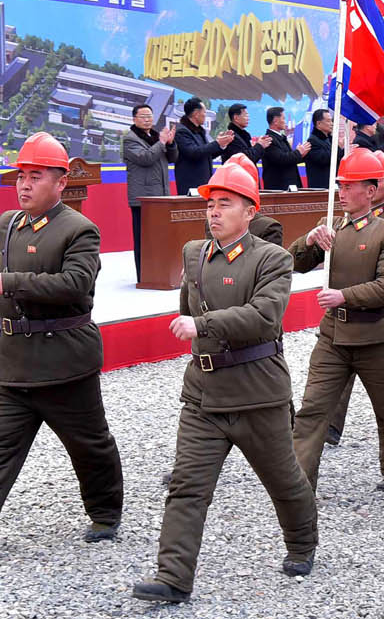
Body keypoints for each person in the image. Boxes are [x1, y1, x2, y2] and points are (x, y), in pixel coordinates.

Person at [131, 166, 317, 604]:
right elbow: (188, 306)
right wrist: (198, 333)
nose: (213, 212)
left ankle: (302, 544)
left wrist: (202, 325)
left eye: (225, 203)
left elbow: (265, 317)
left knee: (284, 480)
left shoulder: (273, 259)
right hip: (203, 393)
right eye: (210, 203)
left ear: (250, 211)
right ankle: (173, 576)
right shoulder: (194, 252)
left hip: (258, 393)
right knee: (188, 486)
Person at [0, 132, 124, 558]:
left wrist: (11, 283)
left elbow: (76, 284)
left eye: (36, 176)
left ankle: (105, 513)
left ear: (61, 183)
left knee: (89, 444)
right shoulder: (8, 223)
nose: (24, 185)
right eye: (21, 176)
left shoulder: (79, 229)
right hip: (12, 359)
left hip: (64, 358)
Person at [289, 148, 384, 493]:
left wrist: (345, 296)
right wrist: (310, 240)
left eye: (350, 186)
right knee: (313, 409)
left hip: (374, 336)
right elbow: (291, 262)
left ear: (371, 191)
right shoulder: (329, 226)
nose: (342, 193)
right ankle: (300, 483)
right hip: (333, 337)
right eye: (340, 185)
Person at [327, 151, 384, 446]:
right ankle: (331, 426)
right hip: (345, 309)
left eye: (380, 180)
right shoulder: (340, 220)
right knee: (340, 370)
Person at [124, 104, 178, 277]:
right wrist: (161, 142)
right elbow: (145, 158)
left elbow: (173, 158)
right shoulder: (130, 139)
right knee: (143, 238)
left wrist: (170, 144)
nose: (148, 119)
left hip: (161, 195)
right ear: (134, 119)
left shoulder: (155, 136)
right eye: (143, 116)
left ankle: (160, 272)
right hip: (143, 197)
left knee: (160, 237)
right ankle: (144, 275)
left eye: (150, 116)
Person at [204, 154, 284, 245]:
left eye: (224, 205)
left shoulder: (267, 227)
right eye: (210, 206)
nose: (214, 213)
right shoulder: (212, 223)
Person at [175, 97, 233, 194]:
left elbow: (207, 154)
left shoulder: (199, 132)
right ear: (196, 114)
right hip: (190, 185)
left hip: (204, 184)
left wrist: (222, 145)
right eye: (204, 112)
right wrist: (217, 143)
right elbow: (194, 153)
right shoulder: (182, 131)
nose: (205, 115)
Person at [261, 106, 310, 190]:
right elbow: (281, 158)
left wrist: (301, 154)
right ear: (275, 121)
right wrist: (298, 152)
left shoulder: (281, 138)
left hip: (289, 185)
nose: (285, 121)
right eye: (283, 118)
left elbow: (289, 158)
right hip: (279, 187)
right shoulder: (269, 139)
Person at [306, 108, 341, 189]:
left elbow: (339, 157)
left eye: (331, 121)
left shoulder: (330, 138)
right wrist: (340, 148)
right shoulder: (312, 141)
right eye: (328, 121)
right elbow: (325, 158)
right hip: (321, 186)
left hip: (334, 183)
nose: (331, 124)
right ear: (318, 123)